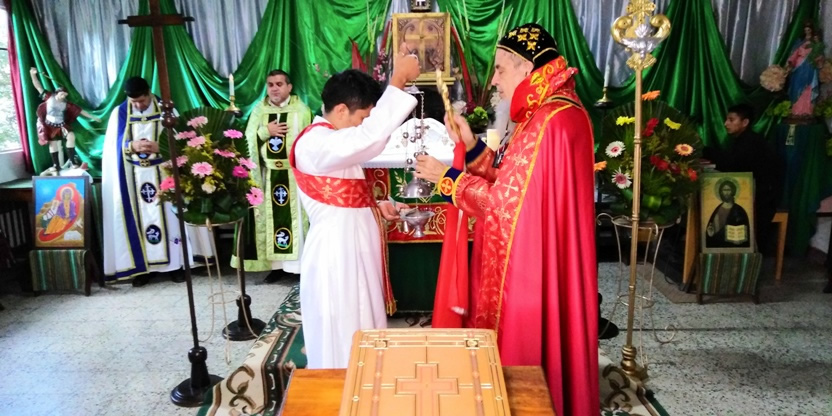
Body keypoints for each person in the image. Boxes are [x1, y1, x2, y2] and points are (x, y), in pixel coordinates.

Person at [414, 23, 598, 415]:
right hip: (543, 255)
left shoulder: (548, 120)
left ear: (526, 67)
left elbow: (505, 206)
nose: (495, 80)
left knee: (522, 359)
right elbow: (514, 183)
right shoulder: (553, 111)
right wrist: (470, 145)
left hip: (530, 269)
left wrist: (448, 180)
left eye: (500, 69)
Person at [290, 46, 420, 369]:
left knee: (363, 328)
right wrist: (398, 80)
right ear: (340, 110)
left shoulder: (332, 141)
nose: (364, 126)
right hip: (335, 259)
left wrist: (377, 206)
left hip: (351, 252)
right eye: (362, 118)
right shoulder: (315, 142)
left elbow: (343, 196)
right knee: (342, 335)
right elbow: (369, 140)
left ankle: (366, 385)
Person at [102, 77, 213, 287]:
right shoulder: (120, 113)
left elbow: (182, 143)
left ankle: (176, 266)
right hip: (134, 179)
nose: (138, 106)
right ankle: (143, 269)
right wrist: (131, 146)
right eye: (134, 102)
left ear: (149, 93)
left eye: (142, 101)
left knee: (171, 222)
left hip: (164, 175)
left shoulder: (167, 110)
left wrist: (160, 146)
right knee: (139, 222)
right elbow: (111, 147)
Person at [232, 70, 311, 283]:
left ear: (289, 87)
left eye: (279, 84)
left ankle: (298, 268)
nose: (274, 88)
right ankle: (276, 267)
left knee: (297, 222)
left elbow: (309, 142)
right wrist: (265, 131)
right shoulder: (259, 111)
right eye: (270, 84)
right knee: (271, 222)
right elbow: (247, 142)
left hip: (294, 177)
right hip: (268, 176)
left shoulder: (302, 111)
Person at [715, 104, 783, 253]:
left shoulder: (751, 143)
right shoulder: (743, 140)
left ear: (745, 122)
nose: (726, 124)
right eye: (726, 119)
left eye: (731, 120)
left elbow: (733, 167)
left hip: (761, 200)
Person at [29, 67, 101, 175]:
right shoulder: (48, 97)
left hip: (62, 124)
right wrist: (33, 75)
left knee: (71, 136)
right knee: (53, 144)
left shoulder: (66, 104)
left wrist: (93, 117)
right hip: (49, 124)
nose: (63, 96)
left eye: (65, 95)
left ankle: (72, 161)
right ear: (57, 93)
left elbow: (80, 110)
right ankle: (56, 165)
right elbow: (38, 86)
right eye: (62, 94)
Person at [786, 20, 824, 116]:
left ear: (811, 30)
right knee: (796, 87)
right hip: (799, 67)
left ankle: (807, 111)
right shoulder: (799, 41)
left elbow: (819, 53)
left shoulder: (815, 42)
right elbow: (794, 54)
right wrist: (790, 63)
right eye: (805, 30)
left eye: (809, 30)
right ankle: (796, 111)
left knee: (808, 88)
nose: (807, 32)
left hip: (810, 67)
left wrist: (819, 59)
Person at [705, 180, 751, 248]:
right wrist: (710, 234)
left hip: (735, 248)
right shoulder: (717, 210)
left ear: (733, 191)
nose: (726, 192)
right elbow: (711, 234)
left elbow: (745, 232)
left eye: (728, 190)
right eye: (724, 190)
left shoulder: (739, 210)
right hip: (718, 248)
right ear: (721, 192)